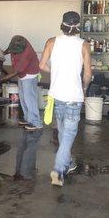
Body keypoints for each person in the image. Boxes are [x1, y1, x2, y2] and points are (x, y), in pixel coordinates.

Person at [39, 11, 92, 187]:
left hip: (56, 95)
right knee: (68, 133)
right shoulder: (83, 45)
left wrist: (55, 71)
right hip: (73, 96)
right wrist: (84, 88)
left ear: (62, 25)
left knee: (63, 132)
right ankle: (58, 169)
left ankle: (68, 163)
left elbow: (41, 65)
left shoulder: (51, 42)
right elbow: (87, 74)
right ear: (78, 26)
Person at [0, 35, 43, 131]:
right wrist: (1, 54)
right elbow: (10, 49)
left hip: (30, 74)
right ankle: (28, 119)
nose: (13, 52)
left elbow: (16, 72)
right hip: (23, 75)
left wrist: (0, 80)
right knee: (23, 97)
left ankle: (36, 123)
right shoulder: (17, 39)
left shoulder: (26, 54)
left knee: (30, 99)